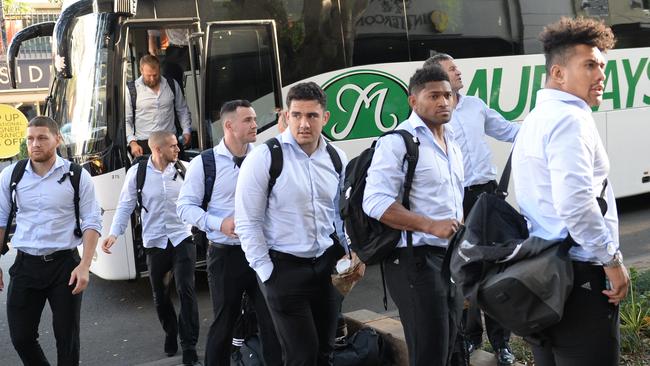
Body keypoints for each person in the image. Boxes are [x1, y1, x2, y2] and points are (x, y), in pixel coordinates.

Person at [512, 17, 629, 366]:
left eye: (602, 65)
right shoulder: (569, 119)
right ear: (558, 73)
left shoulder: (536, 117)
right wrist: (612, 261)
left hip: (544, 274)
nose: (600, 74)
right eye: (590, 65)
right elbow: (576, 204)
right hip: (578, 277)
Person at [235, 82, 348, 366]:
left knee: (325, 351)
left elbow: (338, 213)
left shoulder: (337, 158)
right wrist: (267, 274)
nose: (303, 123)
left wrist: (349, 252)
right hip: (283, 270)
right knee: (302, 355)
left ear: (326, 118)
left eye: (311, 115)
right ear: (286, 115)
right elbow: (247, 222)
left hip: (327, 268)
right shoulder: (265, 157)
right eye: (296, 115)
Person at [362, 66, 463, 366]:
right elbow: (375, 202)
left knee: (450, 348)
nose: (444, 102)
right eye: (434, 96)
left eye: (448, 95)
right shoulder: (398, 142)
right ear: (413, 101)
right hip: (414, 261)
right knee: (429, 352)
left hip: (451, 259)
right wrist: (430, 225)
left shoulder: (452, 142)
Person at [424, 52, 519, 365]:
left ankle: (502, 344)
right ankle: (469, 338)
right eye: (451, 69)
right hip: (457, 201)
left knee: (498, 269)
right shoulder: (433, 117)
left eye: (456, 67)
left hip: (489, 198)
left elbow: (509, 131)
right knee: (464, 273)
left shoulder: (476, 105)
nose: (458, 71)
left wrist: (542, 130)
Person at [177, 100, 281, 366]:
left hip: (263, 252)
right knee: (224, 324)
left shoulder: (265, 157)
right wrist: (219, 223)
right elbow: (184, 207)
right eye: (248, 120)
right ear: (229, 125)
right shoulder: (205, 163)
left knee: (272, 323)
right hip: (225, 256)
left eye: (255, 119)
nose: (255, 124)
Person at [0, 116, 102, 365]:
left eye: (42, 138)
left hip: (64, 265)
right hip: (26, 265)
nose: (35, 144)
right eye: (30, 138)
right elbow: (1, 220)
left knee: (67, 339)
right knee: (21, 337)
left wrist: (85, 265)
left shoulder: (77, 176)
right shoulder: (11, 175)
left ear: (58, 139)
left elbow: (92, 222)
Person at [102, 131, 200, 365]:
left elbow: (201, 200)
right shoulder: (138, 173)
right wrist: (114, 234)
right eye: (173, 146)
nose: (178, 150)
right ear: (157, 149)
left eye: (177, 146)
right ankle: (170, 330)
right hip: (155, 242)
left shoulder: (185, 169)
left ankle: (189, 345)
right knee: (160, 296)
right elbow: (125, 205)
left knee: (186, 290)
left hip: (182, 238)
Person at [126, 55, 192, 158]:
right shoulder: (131, 90)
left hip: (171, 141)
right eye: (148, 75)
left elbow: (182, 110)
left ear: (159, 69)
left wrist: (186, 131)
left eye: (155, 75)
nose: (152, 79)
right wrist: (132, 143)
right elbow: (127, 119)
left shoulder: (171, 84)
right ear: (141, 70)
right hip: (145, 145)